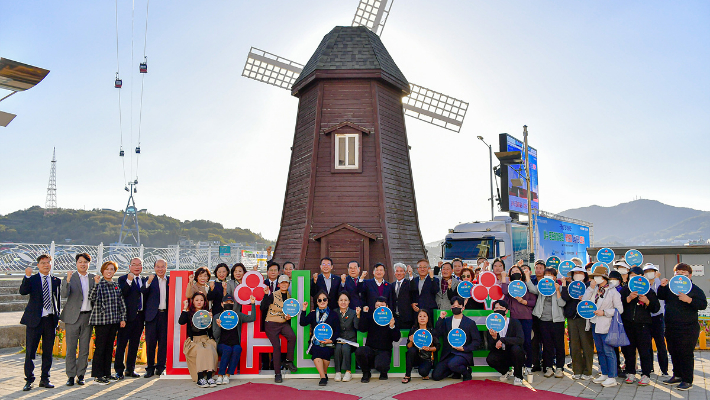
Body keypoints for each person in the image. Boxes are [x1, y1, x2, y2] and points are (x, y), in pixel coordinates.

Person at [657, 263, 707, 391]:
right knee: (673, 352)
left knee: (685, 354)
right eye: (677, 273)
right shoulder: (670, 288)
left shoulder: (694, 289)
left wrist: (689, 300)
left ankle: (687, 380)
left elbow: (702, 304)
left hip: (688, 328)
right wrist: (662, 287)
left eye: (683, 273)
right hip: (671, 326)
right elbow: (661, 296)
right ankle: (677, 375)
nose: (680, 276)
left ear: (689, 275)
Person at [20, 254, 61, 391]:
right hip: (34, 321)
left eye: (48, 262)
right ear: (38, 265)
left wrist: (57, 317)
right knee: (30, 352)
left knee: (48, 352)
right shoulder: (33, 279)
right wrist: (26, 276)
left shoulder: (55, 280)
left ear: (51, 264)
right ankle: (29, 380)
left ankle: (45, 379)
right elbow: (23, 291)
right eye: (43, 263)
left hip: (50, 320)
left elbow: (57, 300)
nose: (46, 265)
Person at [583, 265, 623, 388]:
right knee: (600, 350)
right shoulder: (595, 289)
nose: (596, 278)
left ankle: (612, 376)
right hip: (595, 323)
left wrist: (604, 312)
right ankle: (604, 373)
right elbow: (585, 301)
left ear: (604, 277)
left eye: (598, 276)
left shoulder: (612, 291)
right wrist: (590, 288)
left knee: (608, 351)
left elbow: (619, 310)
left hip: (607, 325)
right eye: (594, 276)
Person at [619, 266, 660, 386]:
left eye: (637, 275)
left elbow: (656, 308)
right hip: (628, 324)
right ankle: (631, 372)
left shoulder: (648, 291)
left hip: (643, 325)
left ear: (642, 277)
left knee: (644, 351)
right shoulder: (625, 290)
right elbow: (618, 306)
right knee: (629, 350)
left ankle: (646, 374)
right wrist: (628, 298)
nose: (634, 278)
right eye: (631, 275)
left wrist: (648, 301)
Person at [89, 261, 127, 385]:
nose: (109, 271)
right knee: (100, 348)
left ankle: (107, 373)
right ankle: (97, 375)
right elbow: (92, 298)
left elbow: (121, 303)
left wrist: (122, 318)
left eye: (112, 269)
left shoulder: (116, 285)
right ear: (102, 271)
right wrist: (96, 284)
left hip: (114, 321)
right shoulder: (100, 284)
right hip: (101, 321)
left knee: (110, 348)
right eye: (107, 269)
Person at [60, 253, 95, 386]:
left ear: (88, 264)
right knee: (71, 348)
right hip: (72, 317)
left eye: (85, 262)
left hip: (88, 316)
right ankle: (70, 375)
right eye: (80, 262)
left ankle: (81, 375)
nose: (83, 264)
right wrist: (67, 281)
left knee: (84, 349)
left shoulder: (93, 278)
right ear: (76, 263)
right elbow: (64, 294)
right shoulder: (70, 277)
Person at [528, 267, 566, 378]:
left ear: (555, 277)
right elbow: (532, 289)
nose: (548, 277)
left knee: (559, 345)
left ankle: (560, 368)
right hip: (543, 320)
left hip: (557, 321)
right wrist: (527, 277)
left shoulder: (560, 287)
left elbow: (562, 303)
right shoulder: (541, 286)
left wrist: (558, 290)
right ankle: (549, 367)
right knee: (547, 345)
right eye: (546, 274)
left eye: (551, 275)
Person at [432, 296, 480, 381]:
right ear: (451, 308)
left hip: (463, 354)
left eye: (458, 307)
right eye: (453, 307)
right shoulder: (447, 321)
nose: (455, 308)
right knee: (436, 376)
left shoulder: (470, 323)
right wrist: (441, 318)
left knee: (453, 364)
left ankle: (466, 372)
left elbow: (477, 341)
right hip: (448, 354)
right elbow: (437, 333)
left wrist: (464, 348)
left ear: (463, 308)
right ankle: (454, 370)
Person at [260, 275, 298, 383]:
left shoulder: (291, 298)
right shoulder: (272, 295)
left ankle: (288, 360)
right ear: (278, 284)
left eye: (286, 282)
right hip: (271, 323)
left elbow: (291, 312)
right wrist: (266, 295)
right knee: (277, 346)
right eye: (282, 283)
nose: (284, 284)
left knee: (292, 336)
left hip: (283, 323)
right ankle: (277, 373)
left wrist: (289, 317)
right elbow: (262, 307)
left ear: (289, 284)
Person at [355, 296, 401, 382]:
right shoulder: (371, 317)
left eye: (382, 305)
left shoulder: (392, 319)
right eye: (377, 305)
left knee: (381, 365)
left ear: (387, 307)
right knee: (359, 351)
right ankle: (366, 372)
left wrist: (392, 327)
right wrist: (363, 314)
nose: (379, 307)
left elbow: (396, 338)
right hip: (371, 349)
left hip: (384, 350)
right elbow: (362, 328)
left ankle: (383, 371)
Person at [114, 257, 146, 380]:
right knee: (121, 344)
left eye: (139, 264)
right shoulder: (122, 279)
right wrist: (128, 281)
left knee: (134, 344)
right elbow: (122, 293)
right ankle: (119, 370)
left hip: (140, 317)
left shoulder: (144, 280)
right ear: (129, 266)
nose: (137, 267)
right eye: (134, 264)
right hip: (126, 318)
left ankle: (130, 369)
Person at [300, 290, 341, 386]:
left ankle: (324, 373)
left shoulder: (333, 314)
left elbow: (337, 330)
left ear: (328, 301)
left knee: (326, 351)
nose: (322, 301)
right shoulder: (313, 314)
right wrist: (304, 309)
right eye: (319, 300)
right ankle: (323, 377)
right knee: (317, 350)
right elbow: (303, 323)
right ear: (316, 302)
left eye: (324, 299)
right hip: (315, 342)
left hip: (329, 342)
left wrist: (332, 340)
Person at [501, 264, 536, 374]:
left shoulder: (526, 286)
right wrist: (503, 278)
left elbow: (533, 301)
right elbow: (504, 291)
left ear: (521, 274)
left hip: (526, 317)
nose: (515, 273)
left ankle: (528, 365)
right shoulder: (510, 286)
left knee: (527, 342)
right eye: (512, 272)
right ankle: (516, 365)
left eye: (517, 271)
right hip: (514, 318)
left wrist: (524, 302)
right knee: (515, 343)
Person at [214, 293, 256, 385]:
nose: (228, 303)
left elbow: (252, 318)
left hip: (235, 343)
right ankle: (220, 375)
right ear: (222, 304)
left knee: (237, 349)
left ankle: (228, 375)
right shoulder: (217, 317)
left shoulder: (237, 315)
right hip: (222, 344)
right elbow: (215, 335)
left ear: (233, 304)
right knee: (227, 349)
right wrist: (219, 326)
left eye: (231, 302)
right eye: (226, 302)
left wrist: (253, 304)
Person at [179, 292, 218, 388]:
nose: (199, 302)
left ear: (204, 302)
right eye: (197, 300)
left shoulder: (207, 313)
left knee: (209, 348)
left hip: (206, 339)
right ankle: (200, 377)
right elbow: (181, 321)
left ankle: (209, 377)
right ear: (193, 302)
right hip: (193, 341)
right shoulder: (189, 314)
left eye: (201, 300)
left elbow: (211, 332)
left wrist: (210, 323)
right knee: (200, 350)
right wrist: (185, 307)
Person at [561, 266, 594, 380]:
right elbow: (565, 298)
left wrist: (584, 298)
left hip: (585, 317)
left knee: (587, 345)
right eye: (576, 273)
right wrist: (565, 285)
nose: (578, 274)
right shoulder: (570, 286)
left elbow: (593, 301)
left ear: (585, 275)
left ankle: (587, 371)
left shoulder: (589, 286)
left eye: (581, 272)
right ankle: (577, 370)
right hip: (572, 318)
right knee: (574, 345)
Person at [486, 300, 525, 386]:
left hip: (514, 352)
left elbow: (520, 339)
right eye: (496, 308)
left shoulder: (514, 322)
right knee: (490, 359)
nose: (498, 310)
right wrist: (494, 337)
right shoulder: (490, 325)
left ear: (506, 311)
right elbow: (491, 347)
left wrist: (503, 340)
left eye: (501, 308)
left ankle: (518, 376)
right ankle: (506, 372)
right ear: (493, 311)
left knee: (516, 349)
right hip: (501, 353)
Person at [141, 259, 170, 378]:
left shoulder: (171, 280)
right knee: (151, 343)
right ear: (154, 268)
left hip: (165, 315)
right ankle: (150, 368)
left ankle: (161, 367)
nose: (160, 269)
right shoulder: (149, 280)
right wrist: (148, 282)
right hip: (152, 315)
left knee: (163, 342)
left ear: (166, 268)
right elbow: (142, 291)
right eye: (158, 267)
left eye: (162, 267)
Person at [643, 263, 669, 377]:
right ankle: (649, 368)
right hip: (646, 317)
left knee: (660, 345)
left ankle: (664, 370)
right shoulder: (642, 285)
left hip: (658, 317)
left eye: (651, 271)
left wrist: (659, 279)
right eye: (647, 271)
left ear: (655, 272)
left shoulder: (659, 283)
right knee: (647, 345)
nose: (649, 273)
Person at [402, 309, 439, 383]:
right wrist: (411, 341)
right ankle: (407, 375)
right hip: (415, 357)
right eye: (420, 316)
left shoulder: (431, 331)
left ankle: (424, 371)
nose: (422, 318)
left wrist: (429, 348)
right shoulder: (413, 330)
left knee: (423, 372)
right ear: (417, 318)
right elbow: (408, 347)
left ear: (428, 318)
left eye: (424, 316)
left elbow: (438, 346)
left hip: (426, 357)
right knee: (411, 350)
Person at [333, 292, 359, 382]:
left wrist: (358, 316)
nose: (343, 302)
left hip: (350, 340)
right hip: (338, 340)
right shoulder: (334, 312)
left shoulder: (353, 312)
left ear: (349, 302)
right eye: (341, 300)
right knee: (338, 347)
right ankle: (338, 372)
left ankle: (348, 372)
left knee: (345, 347)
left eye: (345, 300)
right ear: (337, 301)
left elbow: (357, 326)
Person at [529, 259, 547, 372]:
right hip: (533, 314)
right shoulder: (531, 280)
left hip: (545, 315)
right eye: (536, 267)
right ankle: (535, 363)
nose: (538, 270)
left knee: (546, 340)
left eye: (541, 267)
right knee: (534, 341)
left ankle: (547, 363)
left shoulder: (548, 281)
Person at [392, 263, 413, 328]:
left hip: (406, 318)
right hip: (394, 317)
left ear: (405, 272)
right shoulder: (392, 285)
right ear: (394, 273)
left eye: (401, 271)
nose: (399, 273)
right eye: (397, 271)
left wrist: (410, 274)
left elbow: (414, 289)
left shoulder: (409, 283)